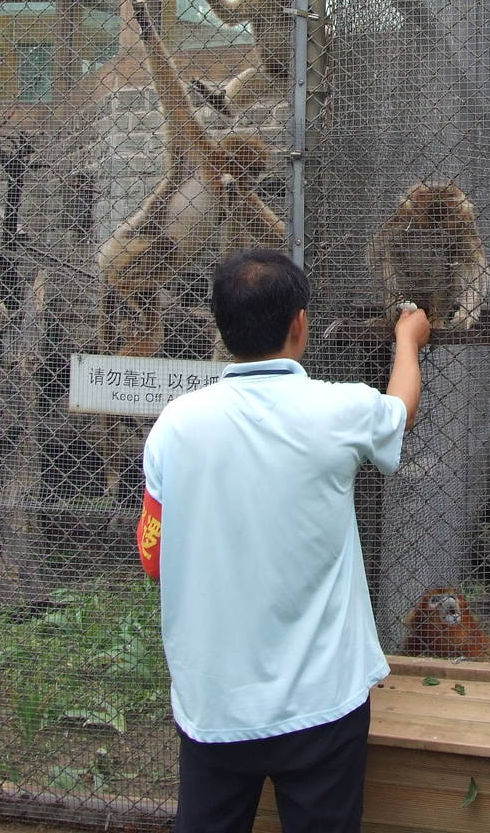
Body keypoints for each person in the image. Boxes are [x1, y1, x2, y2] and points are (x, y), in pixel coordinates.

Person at [137, 247, 430, 833]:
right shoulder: (338, 408)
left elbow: (153, 555)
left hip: (214, 703)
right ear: (300, 323)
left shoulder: (176, 423)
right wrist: (408, 339)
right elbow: (401, 410)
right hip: (322, 702)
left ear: (222, 327)